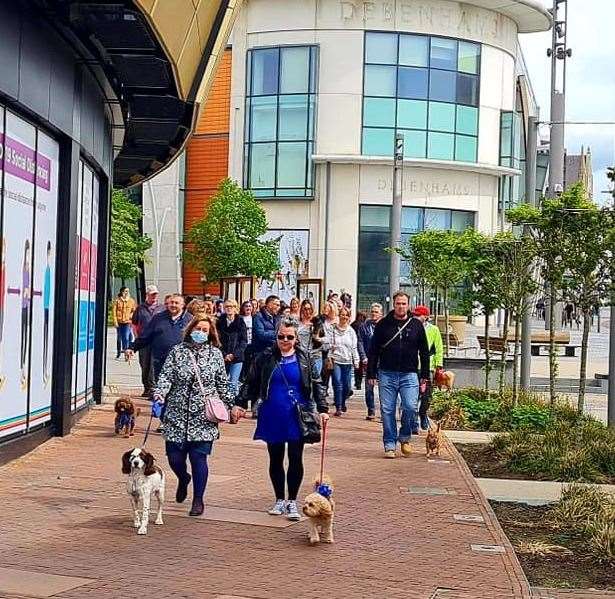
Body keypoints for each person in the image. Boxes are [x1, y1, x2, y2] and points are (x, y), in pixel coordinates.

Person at [233, 317, 329, 520]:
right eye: (281, 336)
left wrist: (322, 408)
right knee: (275, 458)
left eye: (289, 337)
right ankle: (279, 499)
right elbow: (251, 382)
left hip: (297, 414)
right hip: (272, 413)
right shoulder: (265, 357)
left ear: (296, 338)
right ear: (276, 337)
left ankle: (293, 501)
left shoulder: (306, 358)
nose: (285, 340)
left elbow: (317, 382)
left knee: (295, 458)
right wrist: (240, 403)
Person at [153, 314, 233, 516]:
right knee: (174, 458)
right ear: (190, 330)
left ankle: (198, 499)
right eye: (198, 329)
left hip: (203, 414)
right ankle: (183, 478)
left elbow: (222, 383)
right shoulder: (177, 352)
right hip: (177, 412)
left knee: (199, 458)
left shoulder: (214, 354)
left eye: (205, 330)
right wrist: (160, 394)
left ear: (211, 333)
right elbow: (166, 376)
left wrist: (231, 404)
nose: (201, 333)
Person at [367, 291, 430, 459]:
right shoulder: (383, 325)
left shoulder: (416, 325)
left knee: (410, 407)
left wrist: (425, 374)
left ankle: (405, 437)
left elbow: (424, 351)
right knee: (387, 410)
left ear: (408, 305)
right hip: (387, 373)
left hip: (409, 374)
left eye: (404, 303)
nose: (401, 306)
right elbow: (373, 351)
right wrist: (371, 373)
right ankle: (389, 444)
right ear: (393, 305)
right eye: (398, 303)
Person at [126, 294, 192, 382]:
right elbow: (146, 336)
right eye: (171, 302)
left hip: (182, 361)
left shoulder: (190, 320)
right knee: (161, 387)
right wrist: (132, 347)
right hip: (161, 360)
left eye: (176, 303)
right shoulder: (158, 318)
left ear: (183, 305)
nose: (173, 305)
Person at [413, 305, 443, 431]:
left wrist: (438, 365)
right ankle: (413, 422)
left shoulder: (434, 330)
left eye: (418, 315)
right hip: (412, 367)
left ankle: (423, 413)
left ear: (425, 317)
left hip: (428, 367)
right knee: (413, 395)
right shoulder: (411, 327)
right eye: (414, 315)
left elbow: (439, 348)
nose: (415, 317)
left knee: (427, 396)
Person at [131, 285, 164, 397]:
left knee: (155, 364)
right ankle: (147, 387)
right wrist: (137, 338)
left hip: (157, 341)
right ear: (147, 295)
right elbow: (134, 324)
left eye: (155, 294)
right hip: (144, 341)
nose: (154, 296)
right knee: (145, 364)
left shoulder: (162, 308)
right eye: (152, 294)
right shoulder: (140, 308)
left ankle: (154, 388)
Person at [330, 307, 359, 417]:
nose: (344, 317)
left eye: (346, 315)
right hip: (336, 359)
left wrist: (356, 361)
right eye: (342, 314)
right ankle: (338, 407)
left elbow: (354, 347)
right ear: (339, 315)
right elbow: (329, 344)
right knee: (337, 383)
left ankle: (342, 402)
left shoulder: (351, 331)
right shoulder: (333, 329)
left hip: (347, 361)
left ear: (349, 317)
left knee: (347, 386)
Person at [358, 303, 384, 420]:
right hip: (369, 361)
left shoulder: (385, 326)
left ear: (381, 314)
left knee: (384, 388)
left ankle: (385, 413)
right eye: (372, 311)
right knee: (369, 388)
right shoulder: (364, 326)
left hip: (382, 361)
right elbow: (360, 342)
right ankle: (371, 411)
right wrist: (363, 357)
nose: (374, 314)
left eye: (376, 312)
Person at [217, 299, 248, 397]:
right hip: (222, 357)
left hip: (237, 357)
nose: (229, 308)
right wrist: (224, 354)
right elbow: (217, 340)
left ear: (236, 308)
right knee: (221, 383)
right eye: (227, 306)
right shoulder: (219, 321)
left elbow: (244, 341)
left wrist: (234, 354)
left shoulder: (240, 321)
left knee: (233, 384)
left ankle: (232, 406)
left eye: (231, 306)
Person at [297, 299, 326, 374]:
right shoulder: (298, 323)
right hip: (301, 355)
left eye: (309, 309)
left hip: (315, 355)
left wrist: (317, 336)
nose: (307, 311)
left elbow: (325, 338)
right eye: (305, 309)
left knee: (315, 380)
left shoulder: (317, 322)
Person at [113, 287, 136, 359]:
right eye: (125, 291)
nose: (127, 292)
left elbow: (134, 311)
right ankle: (118, 352)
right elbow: (114, 312)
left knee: (126, 337)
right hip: (119, 322)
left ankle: (127, 353)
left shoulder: (131, 301)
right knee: (119, 338)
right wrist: (115, 322)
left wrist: (130, 316)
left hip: (127, 322)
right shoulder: (117, 301)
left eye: (128, 291)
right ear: (122, 292)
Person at [350, 311, 367, 390]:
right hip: (360, 346)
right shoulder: (364, 325)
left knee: (357, 366)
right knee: (361, 366)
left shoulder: (353, 324)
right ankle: (359, 383)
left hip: (355, 346)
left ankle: (358, 382)